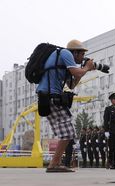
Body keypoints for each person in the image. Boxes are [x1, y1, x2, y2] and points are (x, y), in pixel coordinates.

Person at [36, 39, 94, 172]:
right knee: (68, 132)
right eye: (82, 54)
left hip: (47, 97)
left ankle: (54, 163)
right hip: (51, 97)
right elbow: (78, 72)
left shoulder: (64, 62)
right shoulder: (65, 53)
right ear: (75, 52)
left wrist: (85, 69)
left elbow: (72, 85)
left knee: (66, 133)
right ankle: (54, 164)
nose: (83, 57)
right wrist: (86, 68)